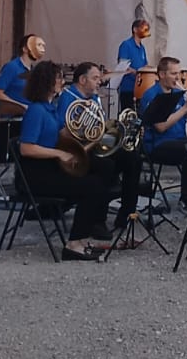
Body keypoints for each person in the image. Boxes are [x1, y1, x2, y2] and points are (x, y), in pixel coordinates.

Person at [14, 61, 114, 260]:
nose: (62, 82)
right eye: (58, 78)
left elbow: (63, 133)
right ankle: (73, 244)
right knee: (91, 186)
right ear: (47, 82)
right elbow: (26, 148)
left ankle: (82, 238)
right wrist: (59, 154)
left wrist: (86, 115)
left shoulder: (49, 108)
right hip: (36, 175)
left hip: (50, 167)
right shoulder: (36, 111)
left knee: (99, 176)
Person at [139, 56, 187, 205]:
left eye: (179, 73)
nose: (179, 78)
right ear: (162, 75)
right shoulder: (152, 95)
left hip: (179, 140)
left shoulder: (177, 93)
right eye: (174, 73)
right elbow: (161, 127)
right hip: (158, 145)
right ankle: (186, 199)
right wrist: (186, 107)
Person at [0, 34, 45, 165]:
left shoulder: (34, 71)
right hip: (12, 118)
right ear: (25, 49)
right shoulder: (11, 67)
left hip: (29, 116)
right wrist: (21, 107)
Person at [114, 15, 151, 112]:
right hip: (128, 87)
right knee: (128, 115)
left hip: (140, 88)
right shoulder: (126, 45)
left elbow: (144, 65)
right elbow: (123, 65)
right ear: (135, 29)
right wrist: (138, 73)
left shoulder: (142, 48)